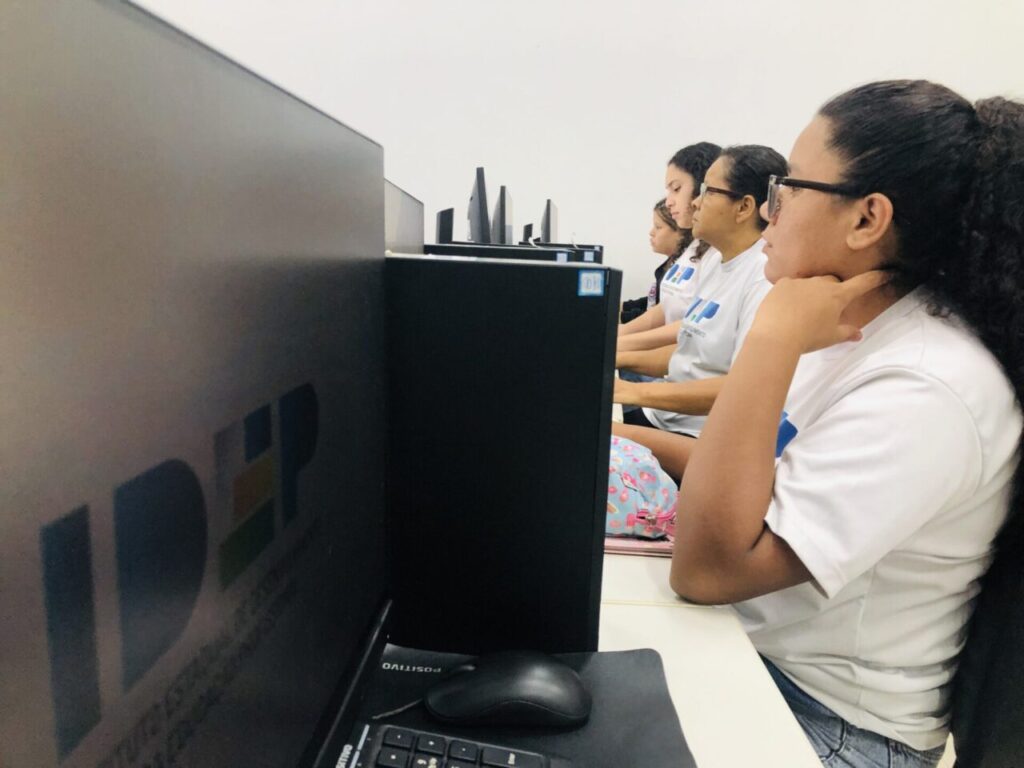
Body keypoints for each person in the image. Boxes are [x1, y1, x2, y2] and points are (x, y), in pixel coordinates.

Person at [663, 80, 1024, 767]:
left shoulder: (929, 385)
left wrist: (770, 339)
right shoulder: (849, 328)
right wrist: (618, 438)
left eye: (789, 188)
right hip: (761, 660)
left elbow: (707, 571)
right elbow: (746, 478)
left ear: (866, 219)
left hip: (835, 725)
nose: (770, 212)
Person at [613, 145, 787, 478]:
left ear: (744, 207)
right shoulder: (715, 260)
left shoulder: (762, 277)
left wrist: (631, 391)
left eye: (707, 191)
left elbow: (743, 388)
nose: (695, 202)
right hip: (664, 417)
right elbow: (689, 351)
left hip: (699, 439)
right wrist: (614, 359)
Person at [617, 142, 720, 355]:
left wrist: (620, 345)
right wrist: (619, 334)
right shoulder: (695, 246)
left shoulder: (721, 254)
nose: (669, 201)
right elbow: (666, 308)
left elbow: (692, 328)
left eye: (676, 189)